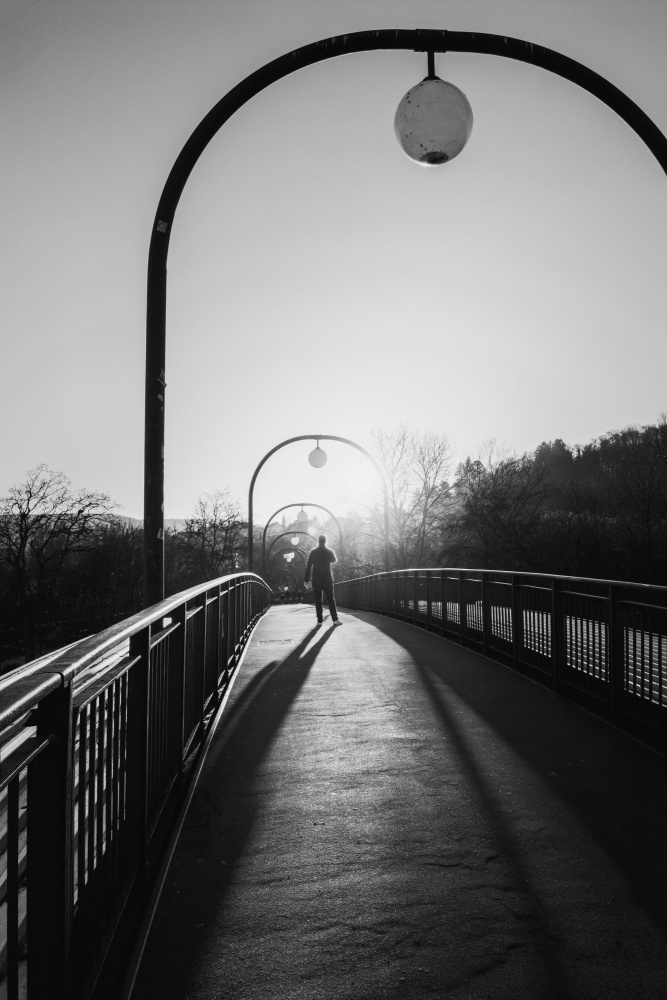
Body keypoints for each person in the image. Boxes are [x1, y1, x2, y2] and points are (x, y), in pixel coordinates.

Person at [304, 534, 341, 626]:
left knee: (318, 600)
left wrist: (306, 580)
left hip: (316, 579)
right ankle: (335, 620)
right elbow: (334, 560)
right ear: (325, 541)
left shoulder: (313, 552)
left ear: (318, 541)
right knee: (331, 599)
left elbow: (308, 566)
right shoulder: (329, 551)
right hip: (327, 578)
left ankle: (319, 621)